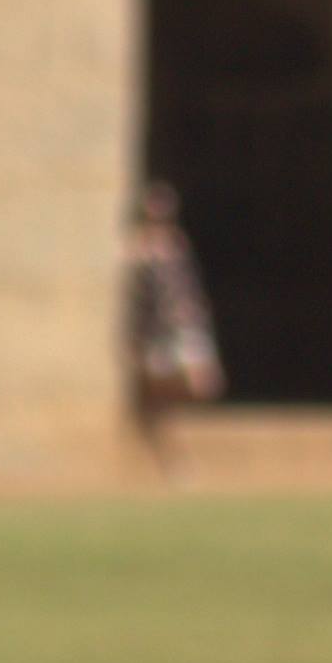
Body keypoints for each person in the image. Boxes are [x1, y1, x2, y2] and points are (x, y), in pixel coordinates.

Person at [121, 180, 221, 475]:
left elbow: (186, 291)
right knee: (158, 396)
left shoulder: (176, 244)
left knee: (202, 385)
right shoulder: (136, 249)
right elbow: (138, 299)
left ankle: (175, 448)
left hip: (184, 328)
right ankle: (169, 458)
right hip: (156, 333)